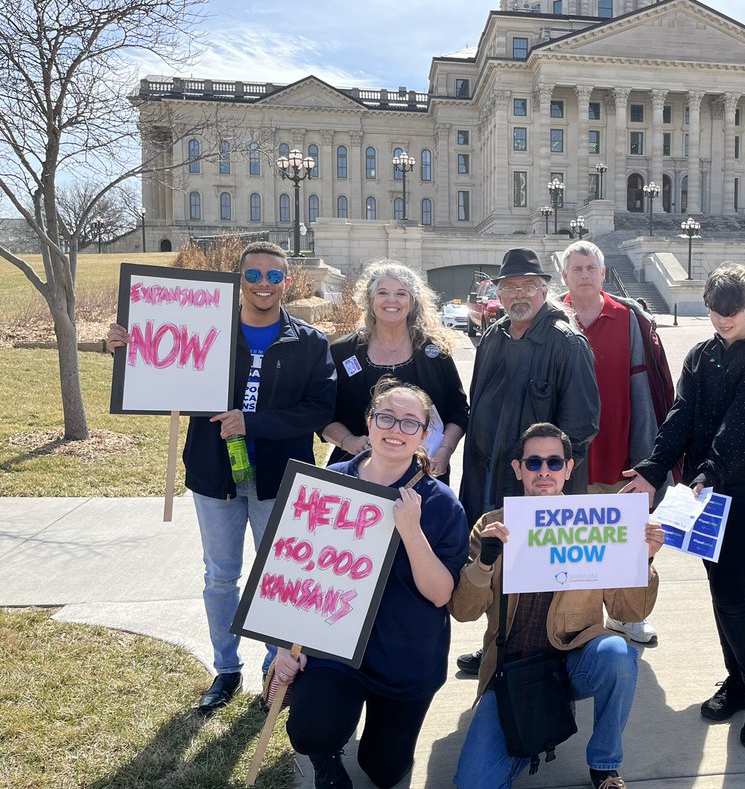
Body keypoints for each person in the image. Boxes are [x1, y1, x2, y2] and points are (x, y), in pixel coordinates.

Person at [106, 241, 336, 715]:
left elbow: (318, 409)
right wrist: (123, 350)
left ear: (287, 282)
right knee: (220, 578)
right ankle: (226, 669)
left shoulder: (309, 342)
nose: (264, 285)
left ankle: (276, 672)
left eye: (274, 277)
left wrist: (254, 423)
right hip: (215, 474)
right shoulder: (204, 329)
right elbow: (160, 369)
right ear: (238, 280)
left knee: (277, 581)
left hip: (280, 478)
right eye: (253, 276)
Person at [621, 263, 745, 750]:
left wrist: (706, 475)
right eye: (716, 311)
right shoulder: (700, 354)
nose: (723, 320)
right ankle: (737, 681)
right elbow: (681, 415)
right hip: (706, 492)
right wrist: (654, 469)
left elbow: (743, 426)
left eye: (733, 312)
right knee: (720, 590)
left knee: (736, 590)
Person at [275, 380, 469, 788]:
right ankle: (327, 758)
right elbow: (294, 569)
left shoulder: (440, 502)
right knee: (310, 729)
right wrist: (283, 645)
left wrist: (412, 533)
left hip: (406, 655)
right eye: (386, 417)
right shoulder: (329, 483)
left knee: (383, 770)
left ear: (423, 434)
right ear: (369, 420)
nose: (396, 429)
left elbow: (440, 594)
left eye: (410, 422)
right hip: (338, 649)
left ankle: (382, 740)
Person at [450, 423, 663, 789]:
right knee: (473, 783)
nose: (544, 471)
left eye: (554, 462)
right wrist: (483, 564)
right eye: (534, 463)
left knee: (617, 653)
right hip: (512, 667)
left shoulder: (598, 523)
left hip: (574, 659)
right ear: (518, 469)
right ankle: (526, 738)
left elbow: (630, 613)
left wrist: (642, 560)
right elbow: (463, 611)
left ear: (569, 468)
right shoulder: (492, 525)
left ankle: (604, 764)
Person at [457, 247, 600, 674]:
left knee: (534, 583)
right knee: (493, 565)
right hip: (487, 475)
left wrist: (541, 477)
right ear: (498, 293)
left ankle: (538, 662)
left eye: (528, 287)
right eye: (509, 287)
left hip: (536, 487)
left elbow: (581, 425)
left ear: (544, 291)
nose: (518, 295)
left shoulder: (566, 343)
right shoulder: (494, 335)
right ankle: (497, 645)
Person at [561, 241, 675, 644]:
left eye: (590, 267)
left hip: (622, 455)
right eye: (576, 269)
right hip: (569, 463)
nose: (584, 275)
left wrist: (652, 459)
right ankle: (578, 619)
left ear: (603, 273)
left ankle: (627, 618)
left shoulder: (630, 319)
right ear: (564, 277)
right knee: (577, 547)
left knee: (627, 540)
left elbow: (655, 389)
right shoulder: (553, 319)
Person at [322, 261, 468, 482]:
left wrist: (445, 450)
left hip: (422, 472)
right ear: (370, 300)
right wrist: (349, 441)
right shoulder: (343, 352)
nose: (392, 300)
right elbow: (322, 413)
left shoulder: (435, 352)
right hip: (355, 474)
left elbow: (458, 411)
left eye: (401, 293)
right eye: (383, 293)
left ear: (413, 302)